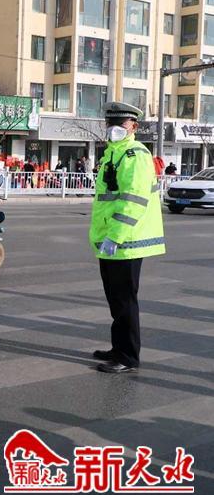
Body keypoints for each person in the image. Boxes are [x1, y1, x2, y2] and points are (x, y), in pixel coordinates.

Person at [90, 102, 165, 374]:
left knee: (124, 300)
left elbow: (134, 201)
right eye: (110, 123)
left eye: (120, 124)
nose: (114, 128)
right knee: (115, 300)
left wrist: (116, 236)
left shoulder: (136, 155)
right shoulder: (113, 153)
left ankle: (128, 357)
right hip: (112, 239)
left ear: (134, 126)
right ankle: (118, 348)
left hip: (126, 240)